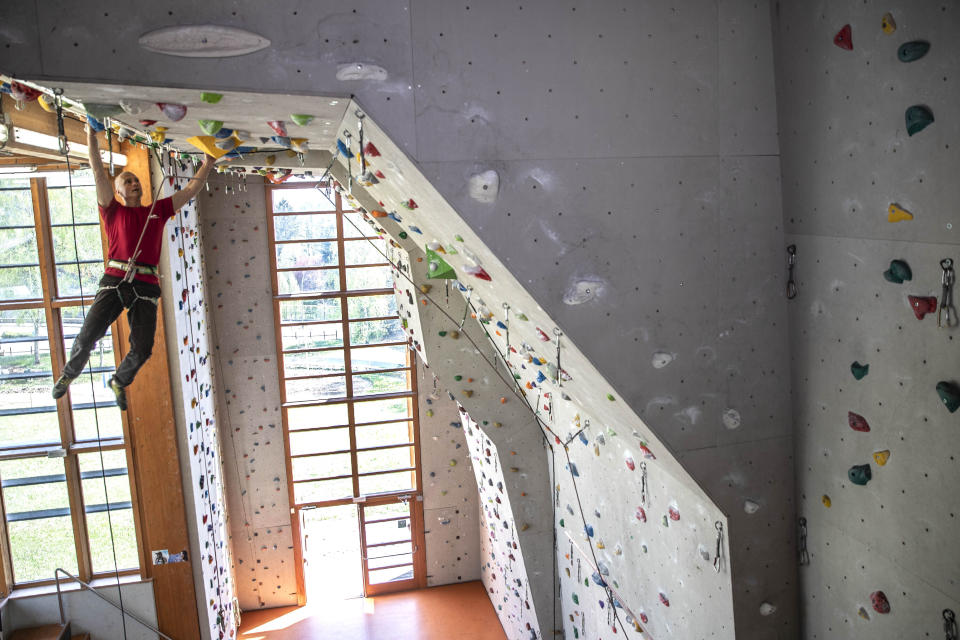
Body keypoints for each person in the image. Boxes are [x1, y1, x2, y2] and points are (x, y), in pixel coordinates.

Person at [51, 125, 216, 410]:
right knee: (89, 334)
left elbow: (192, 189)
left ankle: (119, 381)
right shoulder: (112, 210)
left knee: (142, 348)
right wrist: (91, 136)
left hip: (146, 286)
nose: (134, 184)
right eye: (128, 181)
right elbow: (98, 172)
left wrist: (208, 163)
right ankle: (68, 375)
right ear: (116, 191)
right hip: (115, 280)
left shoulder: (158, 211)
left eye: (136, 181)